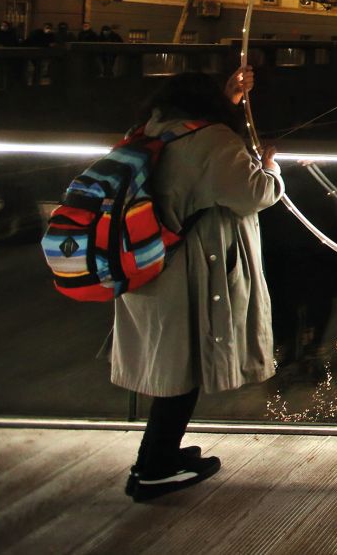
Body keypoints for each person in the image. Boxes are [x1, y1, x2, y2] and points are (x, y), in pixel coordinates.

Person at [112, 66, 283, 501]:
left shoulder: (151, 130)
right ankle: (154, 469)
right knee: (184, 368)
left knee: (172, 364)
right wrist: (270, 170)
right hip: (190, 270)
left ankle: (157, 456)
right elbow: (253, 195)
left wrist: (230, 100)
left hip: (148, 260)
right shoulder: (214, 141)